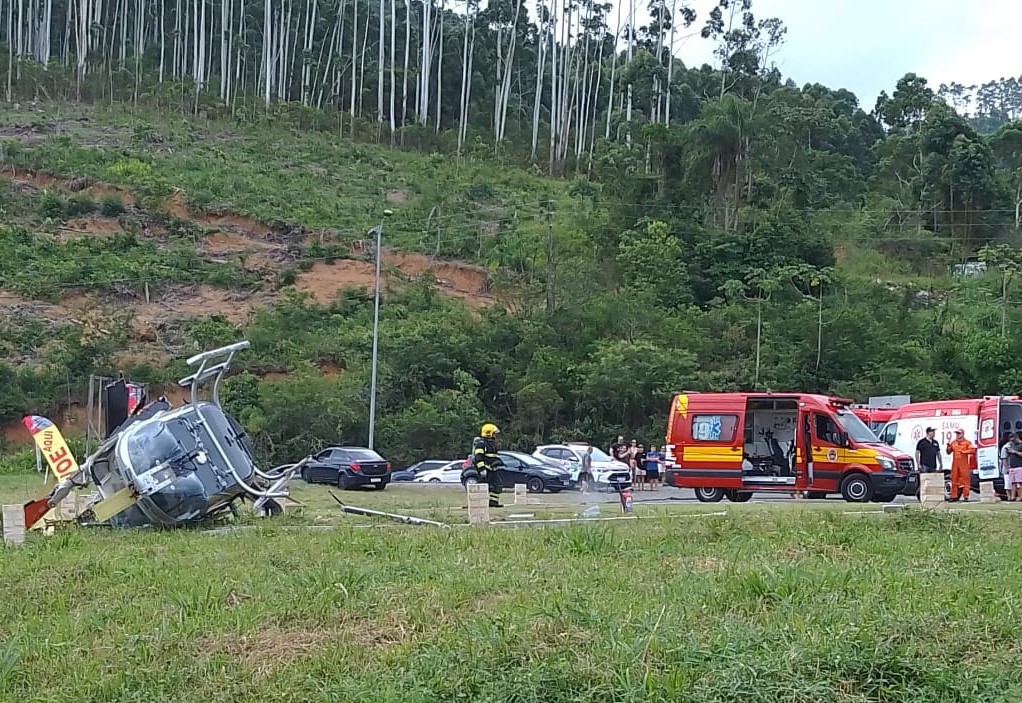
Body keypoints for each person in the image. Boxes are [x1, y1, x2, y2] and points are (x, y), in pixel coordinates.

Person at [468, 422, 504, 508]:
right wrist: (482, 469)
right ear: (488, 433)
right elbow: (478, 457)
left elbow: (492, 457)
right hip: (486, 470)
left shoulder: (492, 444)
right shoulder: (481, 444)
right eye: (494, 433)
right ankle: (477, 504)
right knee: (483, 487)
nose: (495, 435)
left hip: (493, 469)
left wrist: (497, 462)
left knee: (497, 485)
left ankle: (493, 502)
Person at [946, 428, 976, 501]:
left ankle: (966, 496)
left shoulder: (967, 442)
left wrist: (964, 451)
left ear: (962, 434)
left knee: (965, 479)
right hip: (955, 464)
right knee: (954, 479)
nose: (957, 435)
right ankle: (954, 496)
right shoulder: (953, 442)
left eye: (959, 433)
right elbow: (948, 452)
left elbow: (972, 450)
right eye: (957, 433)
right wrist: (948, 446)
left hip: (964, 464)